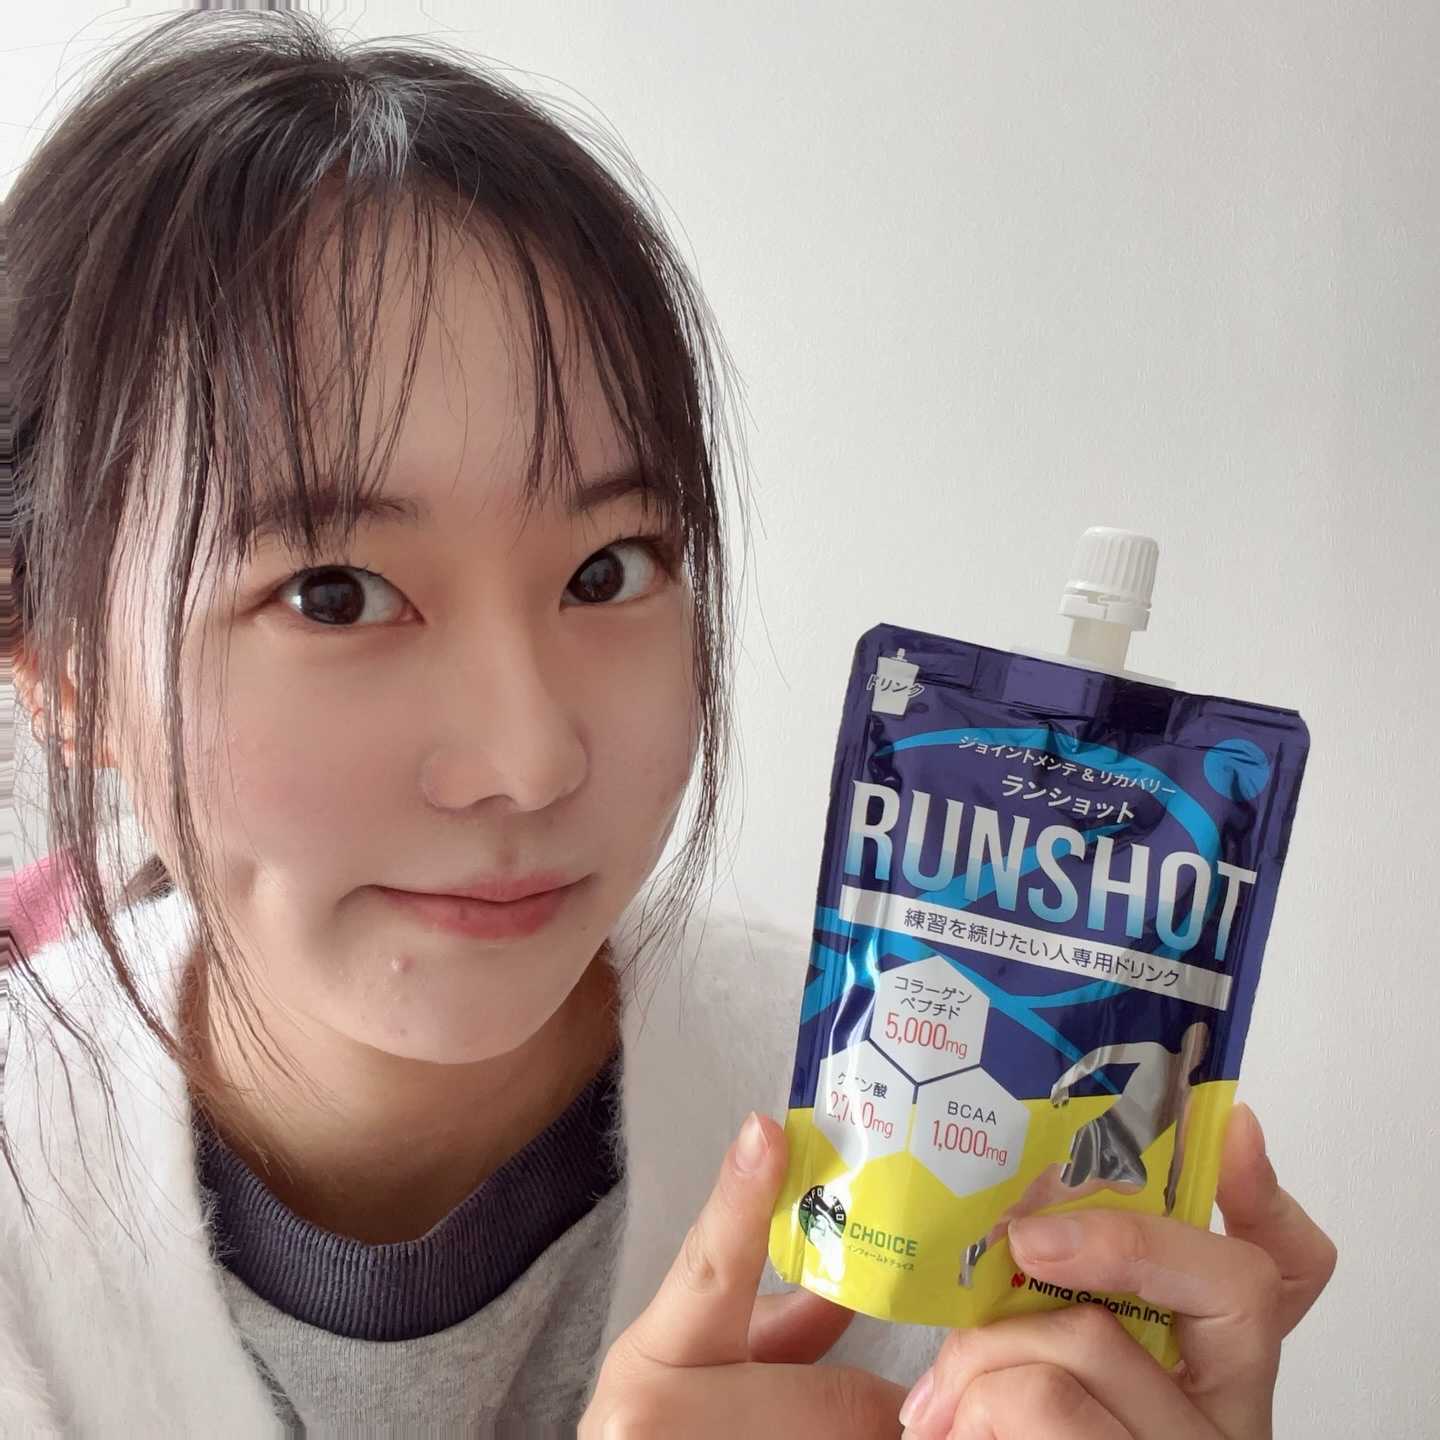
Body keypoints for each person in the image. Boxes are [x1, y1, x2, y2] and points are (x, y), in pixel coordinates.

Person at [0, 11, 1336, 1436]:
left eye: (608, 570)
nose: (531, 760)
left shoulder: (940, 1165)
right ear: (61, 668)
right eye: (336, 594)